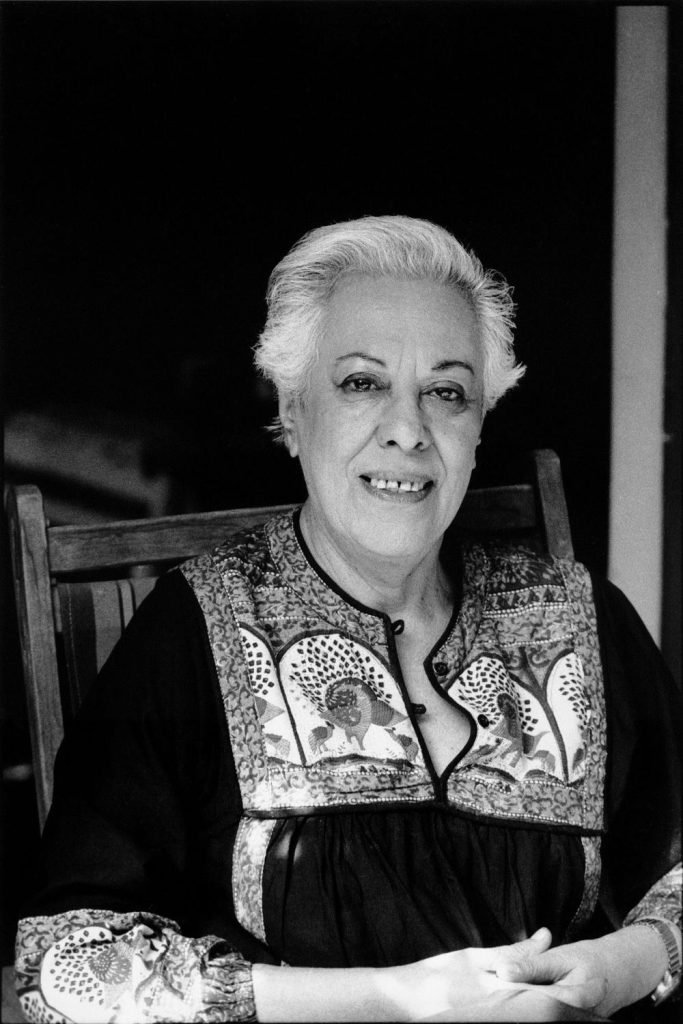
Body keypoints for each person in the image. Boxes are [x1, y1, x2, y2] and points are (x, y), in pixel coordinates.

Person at [14, 216, 681, 1022]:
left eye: (445, 392)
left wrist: (615, 967)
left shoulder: (576, 616)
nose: (407, 429)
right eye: (362, 383)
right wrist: (394, 999)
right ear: (293, 412)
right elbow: (64, 968)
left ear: (478, 425)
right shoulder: (197, 629)